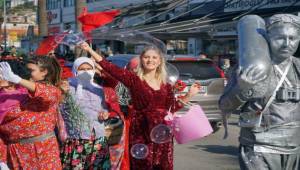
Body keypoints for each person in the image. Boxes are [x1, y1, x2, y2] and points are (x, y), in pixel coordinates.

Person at [79, 42, 200, 170]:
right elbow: (110, 68)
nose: (150, 60)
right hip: (141, 131)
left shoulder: (166, 85)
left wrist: (189, 95)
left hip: (162, 133)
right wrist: (89, 50)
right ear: (141, 60)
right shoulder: (134, 80)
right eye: (147, 57)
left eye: (154, 57)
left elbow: (172, 108)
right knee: (142, 165)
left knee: (162, 166)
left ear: (160, 61)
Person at [219, 14, 300, 170]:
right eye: (280, 38)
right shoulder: (249, 67)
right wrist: (241, 88)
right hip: (258, 149)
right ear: (268, 37)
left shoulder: (298, 67)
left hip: (294, 148)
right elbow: (224, 106)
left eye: (293, 38)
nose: (287, 44)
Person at [0, 56, 62, 169]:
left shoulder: (46, 91)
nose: (28, 74)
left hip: (43, 151)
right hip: (15, 153)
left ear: (44, 72)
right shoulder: (5, 96)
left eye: (31, 70)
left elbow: (49, 94)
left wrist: (18, 80)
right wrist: (2, 160)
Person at [59, 57, 111, 170]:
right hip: (77, 138)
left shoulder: (98, 88)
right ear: (75, 70)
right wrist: (64, 93)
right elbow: (61, 108)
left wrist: (105, 114)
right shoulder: (67, 86)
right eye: (82, 69)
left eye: (89, 68)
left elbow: (103, 108)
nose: (86, 72)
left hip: (98, 137)